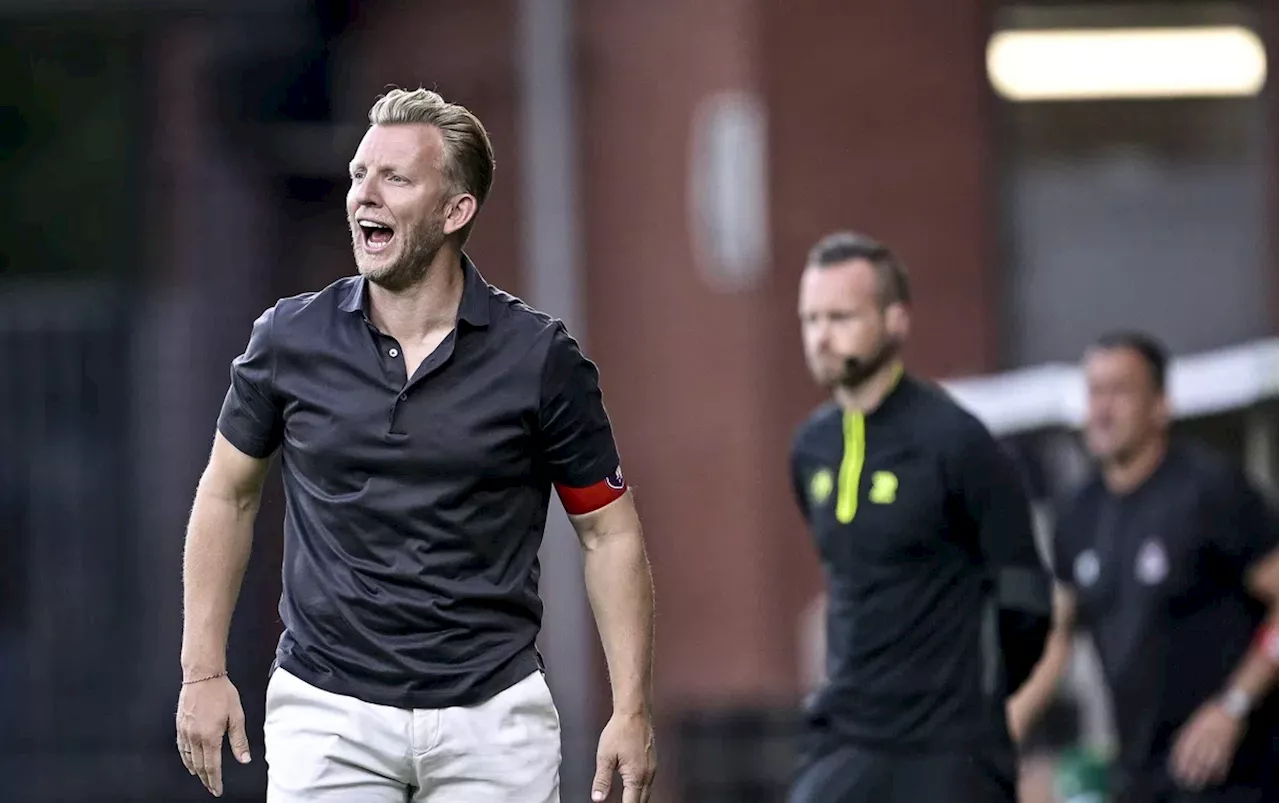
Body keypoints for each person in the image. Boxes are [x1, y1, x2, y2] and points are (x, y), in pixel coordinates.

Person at [174, 88, 656, 803]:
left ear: (455, 211)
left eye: (394, 178)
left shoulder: (540, 359)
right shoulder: (287, 340)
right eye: (358, 174)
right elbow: (226, 491)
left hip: (494, 717)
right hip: (328, 711)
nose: (363, 194)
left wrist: (631, 708)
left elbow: (607, 530)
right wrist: (202, 671)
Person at [786, 231, 1052, 803]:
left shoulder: (958, 443)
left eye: (841, 317)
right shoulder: (810, 448)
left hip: (949, 749)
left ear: (896, 320)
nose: (822, 337)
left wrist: (975, 699)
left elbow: (1027, 601)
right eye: (811, 320)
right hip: (847, 736)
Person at [1008, 331, 1280, 803]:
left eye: (1120, 392)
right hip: (1140, 775)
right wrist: (1001, 729)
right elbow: (1057, 636)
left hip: (1233, 772)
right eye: (1094, 392)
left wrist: (1234, 705)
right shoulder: (1078, 515)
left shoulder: (1210, 491)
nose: (1103, 409)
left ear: (1160, 406)